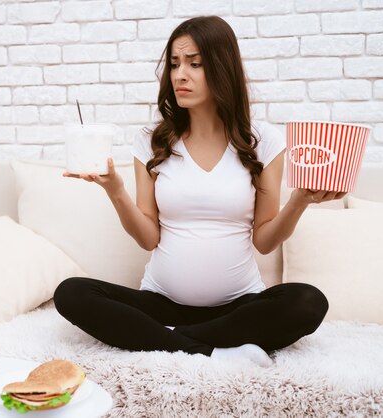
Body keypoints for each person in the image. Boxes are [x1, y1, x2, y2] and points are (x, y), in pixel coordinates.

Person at [53, 16, 345, 367]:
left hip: (238, 306)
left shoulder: (263, 140)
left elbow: (265, 241)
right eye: (175, 64)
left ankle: (165, 339)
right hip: (160, 302)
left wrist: (300, 201)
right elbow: (148, 238)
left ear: (221, 68)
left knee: (309, 302)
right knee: (71, 294)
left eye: (194, 64)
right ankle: (213, 351)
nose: (179, 74)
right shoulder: (152, 141)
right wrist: (115, 191)